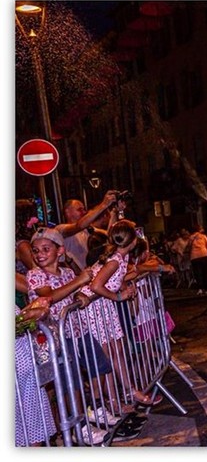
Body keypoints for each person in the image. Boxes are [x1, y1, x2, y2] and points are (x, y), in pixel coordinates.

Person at [25, 227, 115, 444]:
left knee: (100, 366)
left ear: (60, 251)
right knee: (69, 382)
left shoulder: (66, 272)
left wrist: (81, 294)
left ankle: (94, 408)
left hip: (77, 330)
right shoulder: (35, 275)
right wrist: (79, 282)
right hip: (56, 340)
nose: (40, 254)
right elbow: (49, 298)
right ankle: (77, 426)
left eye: (46, 249)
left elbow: (73, 293)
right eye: (35, 250)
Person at [78, 220, 162, 408]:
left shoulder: (121, 258)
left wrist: (125, 286)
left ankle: (131, 391)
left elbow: (118, 279)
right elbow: (95, 286)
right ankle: (115, 403)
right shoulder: (115, 260)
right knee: (107, 357)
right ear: (132, 242)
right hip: (95, 308)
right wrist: (117, 296)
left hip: (105, 307)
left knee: (119, 351)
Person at [15, 295, 57, 446]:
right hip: (16, 369)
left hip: (24, 364)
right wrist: (27, 317)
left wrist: (31, 308)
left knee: (32, 428)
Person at [55, 190, 121, 270]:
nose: (84, 212)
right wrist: (104, 204)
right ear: (68, 212)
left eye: (84, 209)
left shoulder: (88, 229)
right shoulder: (61, 229)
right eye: (79, 210)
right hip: (75, 277)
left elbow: (110, 234)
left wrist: (115, 211)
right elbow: (79, 226)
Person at [188, 224, 207, 295]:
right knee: (206, 272)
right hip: (204, 254)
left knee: (198, 273)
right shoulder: (203, 236)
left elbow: (189, 247)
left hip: (194, 256)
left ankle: (200, 288)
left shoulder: (190, 237)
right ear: (199, 229)